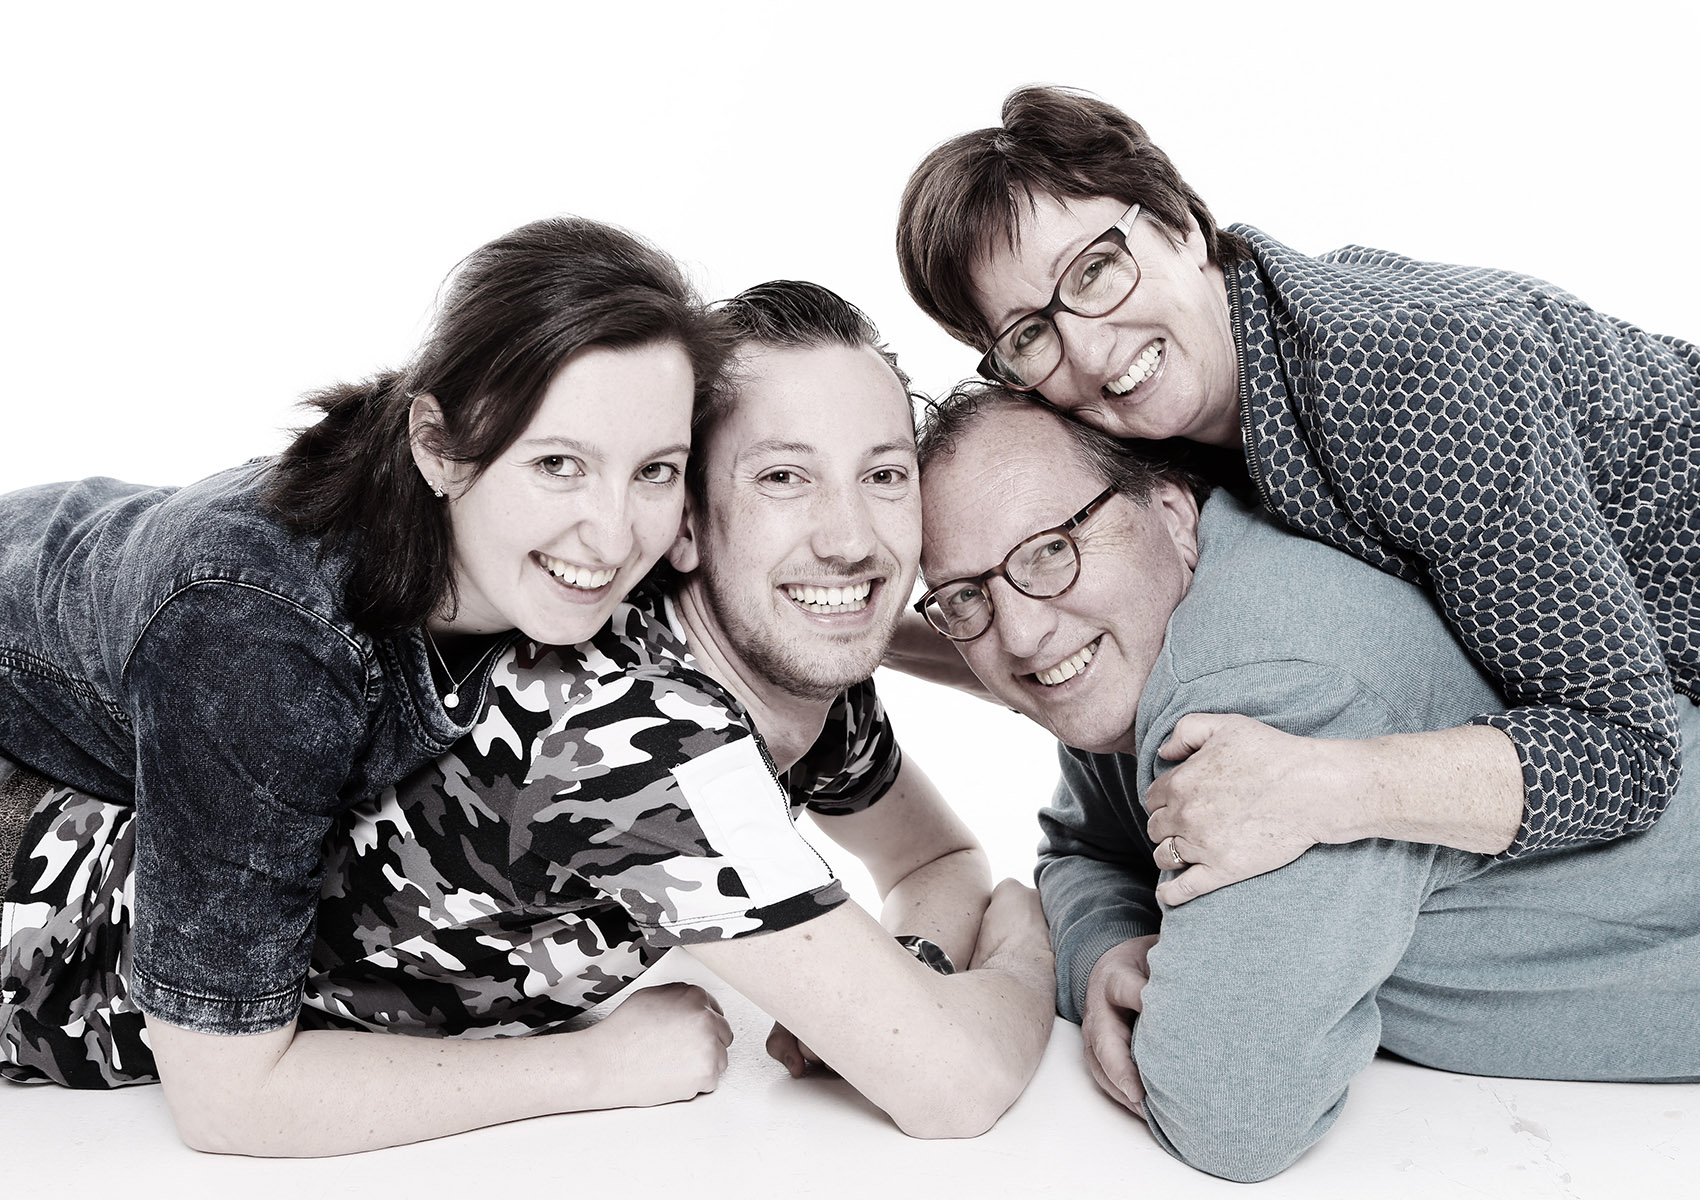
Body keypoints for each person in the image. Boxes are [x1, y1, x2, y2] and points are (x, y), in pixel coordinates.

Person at [4, 282, 1056, 1155]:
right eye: (783, 477)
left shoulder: (788, 655)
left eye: (884, 475)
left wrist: (903, 978)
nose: (850, 539)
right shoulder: (633, 734)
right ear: (687, 525)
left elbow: (930, 861)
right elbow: (952, 1085)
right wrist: (1024, 940)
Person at [894, 85, 1700, 898]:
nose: (1092, 350)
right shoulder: (1160, 424)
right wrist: (859, 641)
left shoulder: (1417, 386)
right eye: (1030, 333)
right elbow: (1045, 633)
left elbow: (1627, 753)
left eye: (1096, 270)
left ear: (1181, 223)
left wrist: (1319, 788)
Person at [0, 217, 725, 1114]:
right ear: (437, 447)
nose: (614, 538)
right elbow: (227, 1096)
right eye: (557, 464)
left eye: (655, 471)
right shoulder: (266, 638)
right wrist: (598, 1069)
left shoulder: (517, 550)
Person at [914, 383, 1700, 1183]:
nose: (1022, 632)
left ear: (1173, 514)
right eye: (964, 597)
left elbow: (1230, 1112)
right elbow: (1083, 848)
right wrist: (1106, 948)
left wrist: (1029, 943)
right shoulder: (1131, 649)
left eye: (1051, 549)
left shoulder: (1258, 689)